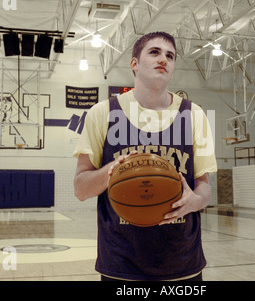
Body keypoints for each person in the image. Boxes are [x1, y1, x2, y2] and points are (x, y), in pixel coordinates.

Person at [73, 31, 217, 281]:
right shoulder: (102, 112)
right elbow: (81, 189)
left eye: (170, 56)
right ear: (134, 64)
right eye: (154, 52)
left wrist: (195, 201)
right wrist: (112, 172)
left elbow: (204, 186)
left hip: (182, 263)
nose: (164, 59)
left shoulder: (194, 115)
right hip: (121, 264)